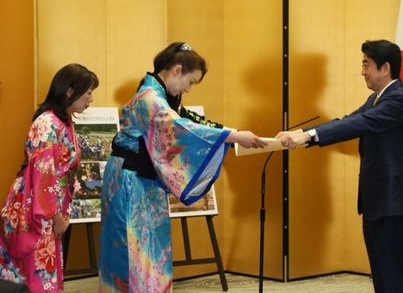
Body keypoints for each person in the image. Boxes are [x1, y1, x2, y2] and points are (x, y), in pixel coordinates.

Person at [98, 42, 266, 292]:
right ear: (176, 70)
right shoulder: (150, 99)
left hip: (143, 180)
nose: (188, 89)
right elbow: (181, 128)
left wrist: (233, 133)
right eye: (190, 82)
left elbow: (192, 121)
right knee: (132, 251)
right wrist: (233, 136)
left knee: (149, 248)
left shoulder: (165, 99)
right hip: (129, 180)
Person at [276, 39, 403, 293]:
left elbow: (359, 124)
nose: (362, 71)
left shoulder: (399, 100)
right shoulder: (375, 99)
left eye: (367, 64)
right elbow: (347, 121)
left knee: (396, 279)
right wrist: (301, 133)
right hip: (377, 203)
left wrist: (307, 137)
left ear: (385, 68)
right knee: (383, 277)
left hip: (393, 203)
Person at [0, 63, 99, 292]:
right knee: (36, 279)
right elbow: (43, 178)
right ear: (69, 91)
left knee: (43, 276)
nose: (91, 99)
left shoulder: (64, 120)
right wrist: (55, 216)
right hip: (37, 211)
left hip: (47, 210)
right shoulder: (47, 124)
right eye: (88, 92)